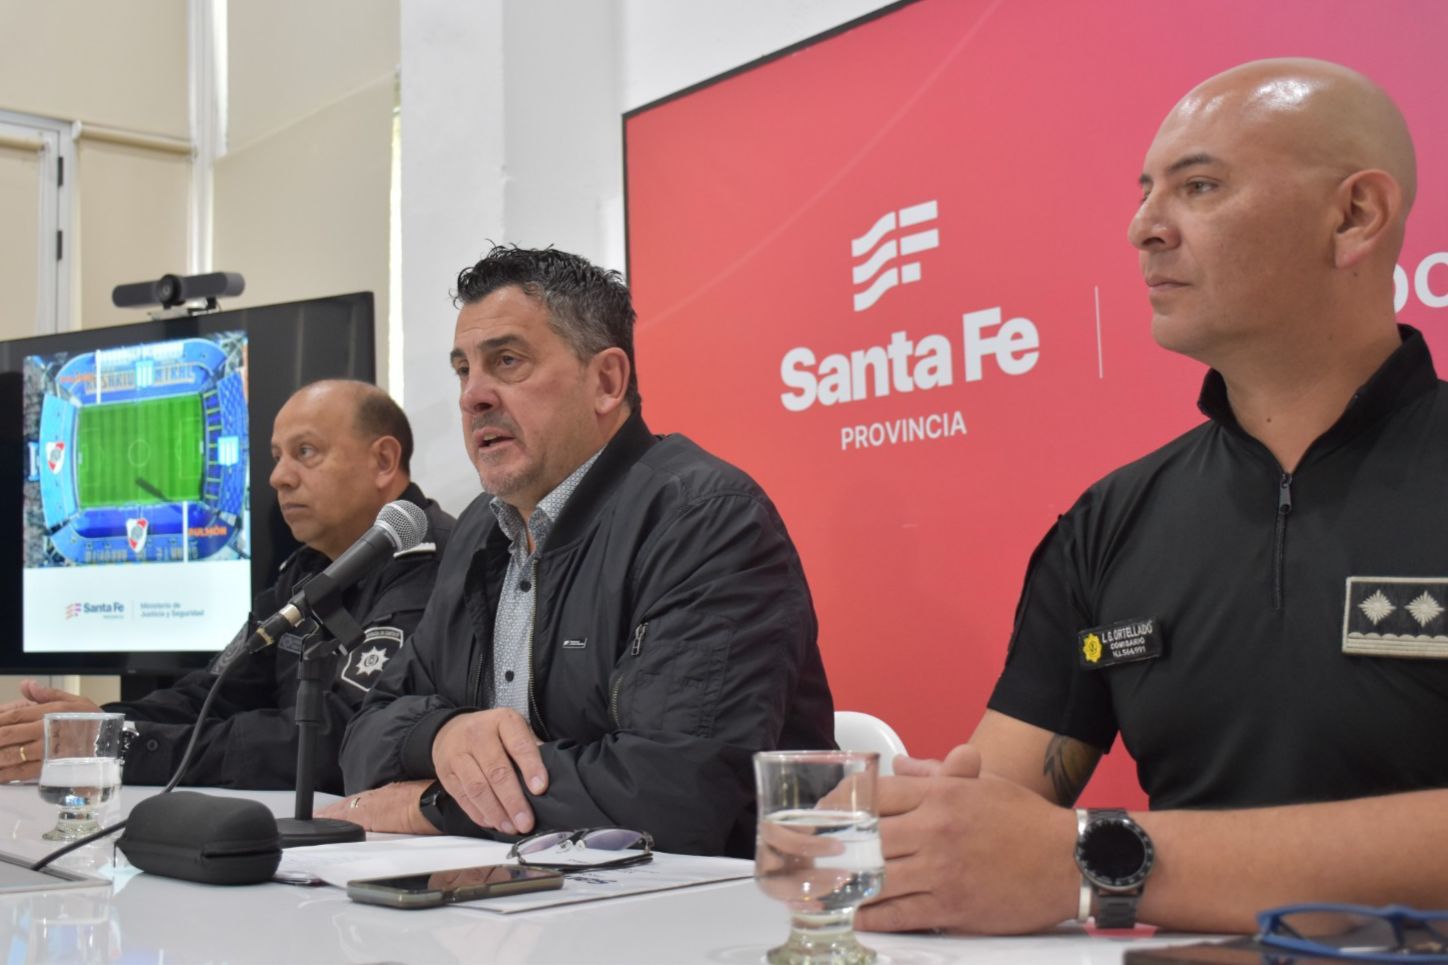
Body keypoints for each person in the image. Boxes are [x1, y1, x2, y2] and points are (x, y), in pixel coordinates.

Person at [857, 58, 1448, 936]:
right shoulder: (1111, 521)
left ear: (1355, 214)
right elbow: (994, 809)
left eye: (1199, 186)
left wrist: (1097, 860)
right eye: (1145, 193)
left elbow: (1047, 854)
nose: (1143, 228)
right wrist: (891, 834)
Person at [324, 245, 833, 857]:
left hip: (702, 902)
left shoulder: (705, 519)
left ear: (606, 382)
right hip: (524, 891)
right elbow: (363, 736)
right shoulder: (479, 534)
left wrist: (429, 805)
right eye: (463, 370)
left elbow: (670, 795)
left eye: (507, 361)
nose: (472, 397)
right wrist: (441, 735)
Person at [0, 380, 454, 794]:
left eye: (306, 452)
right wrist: (99, 724)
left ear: (383, 461)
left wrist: (119, 746)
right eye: (277, 456)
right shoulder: (307, 568)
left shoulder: (431, 565)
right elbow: (216, 692)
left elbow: (337, 739)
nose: (278, 477)